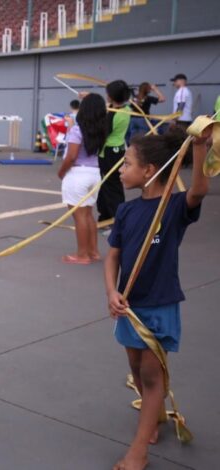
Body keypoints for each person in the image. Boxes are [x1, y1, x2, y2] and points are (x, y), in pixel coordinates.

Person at [105, 127, 211, 470]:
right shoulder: (126, 212)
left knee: (152, 377)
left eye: (127, 164)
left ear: (149, 171)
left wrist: (198, 149)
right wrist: (111, 291)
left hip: (159, 306)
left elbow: (199, 189)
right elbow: (112, 256)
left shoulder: (175, 206)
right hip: (129, 308)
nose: (121, 170)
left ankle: (138, 452)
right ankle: (156, 419)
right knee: (137, 371)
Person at [57, 94, 108, 264]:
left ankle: (82, 255)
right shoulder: (102, 130)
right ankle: (93, 251)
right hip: (94, 174)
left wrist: (61, 172)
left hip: (77, 174)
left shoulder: (77, 130)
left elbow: (71, 156)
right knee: (87, 214)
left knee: (79, 217)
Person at [96, 80, 131, 228]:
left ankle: (118, 220)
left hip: (109, 152)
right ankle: (105, 217)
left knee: (112, 187)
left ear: (111, 96)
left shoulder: (113, 115)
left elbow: (103, 133)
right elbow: (108, 107)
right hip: (119, 150)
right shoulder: (127, 108)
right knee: (106, 186)